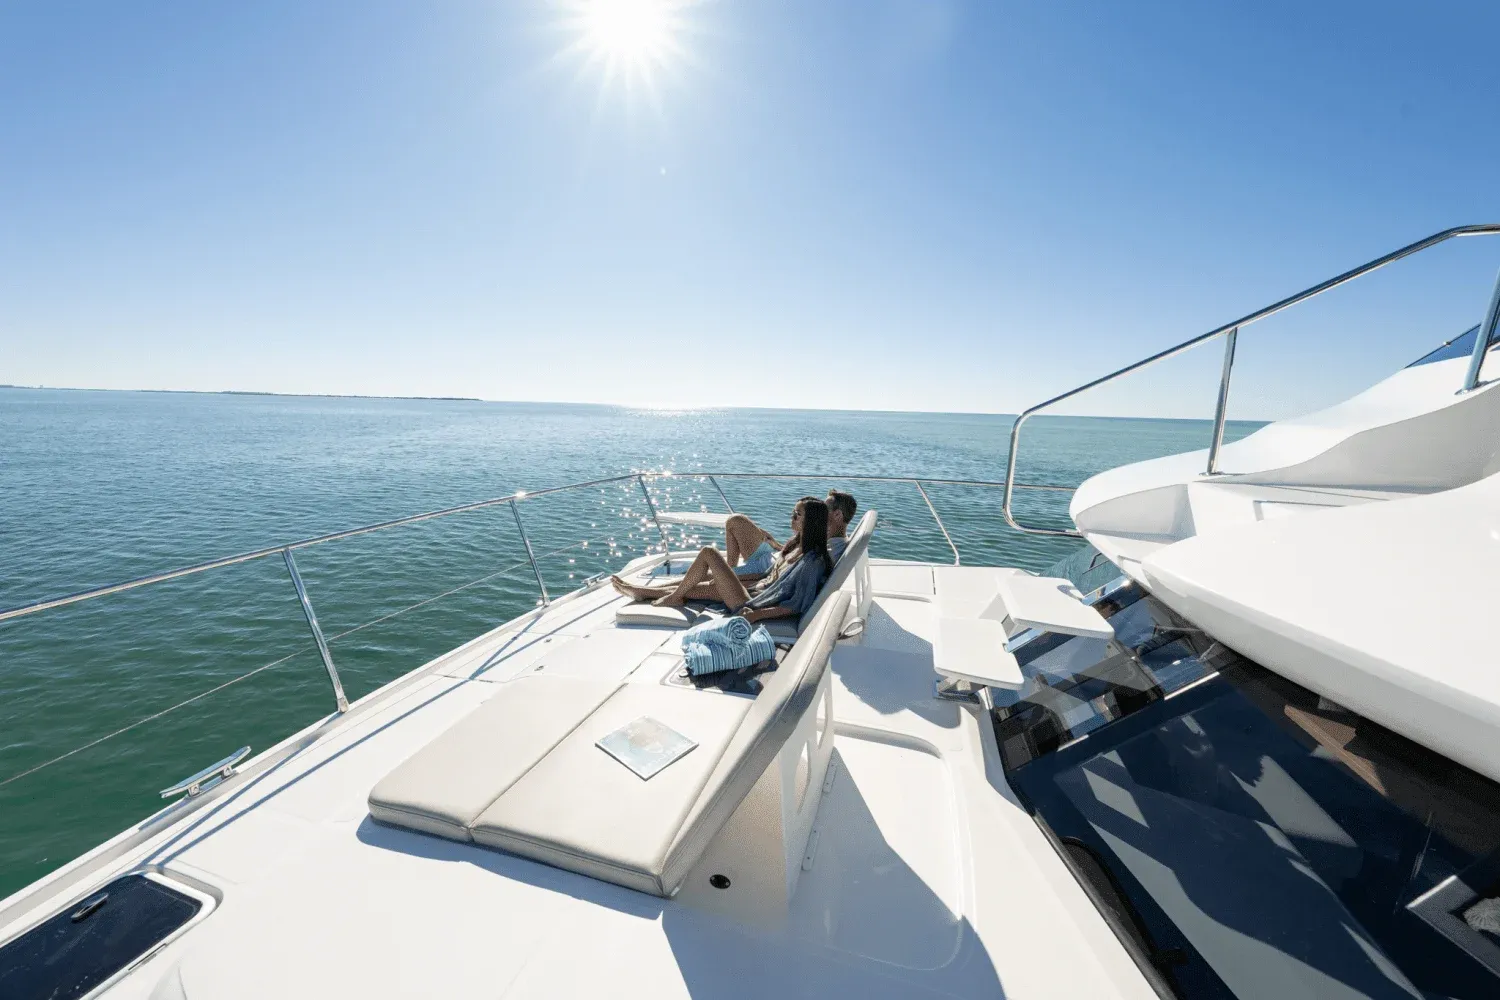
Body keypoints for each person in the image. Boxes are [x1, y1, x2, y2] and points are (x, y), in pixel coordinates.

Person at [612, 497, 834, 622]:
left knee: (709, 553)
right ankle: (642, 591)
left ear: (811, 522)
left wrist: (755, 615)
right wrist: (736, 577)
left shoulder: (813, 561)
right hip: (753, 589)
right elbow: (768, 576)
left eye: (797, 514)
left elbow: (796, 604)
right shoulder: (796, 544)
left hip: (751, 601)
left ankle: (671, 596)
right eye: (793, 512)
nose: (792, 517)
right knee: (698, 583)